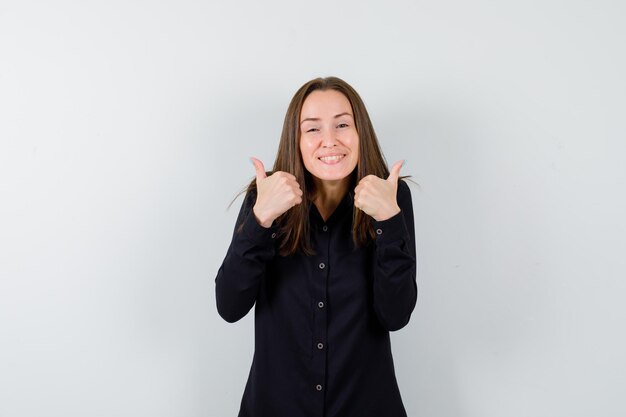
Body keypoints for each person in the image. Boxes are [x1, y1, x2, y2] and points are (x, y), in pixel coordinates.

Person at [215, 76, 417, 417]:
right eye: (312, 129)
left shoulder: (391, 197)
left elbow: (395, 315)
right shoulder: (264, 197)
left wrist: (388, 221)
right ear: (295, 139)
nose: (330, 141)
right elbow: (229, 305)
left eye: (342, 124)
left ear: (360, 132)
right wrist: (260, 220)